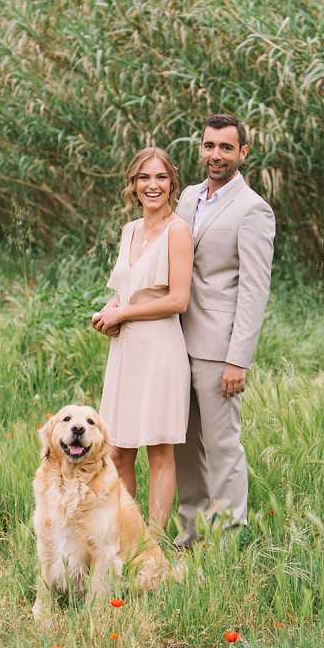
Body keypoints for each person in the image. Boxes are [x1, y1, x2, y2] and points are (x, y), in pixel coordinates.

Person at [174, 113, 275, 547]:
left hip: (218, 349)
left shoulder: (253, 210)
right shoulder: (188, 197)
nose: (216, 155)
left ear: (242, 153)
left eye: (226, 148)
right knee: (182, 443)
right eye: (209, 146)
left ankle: (230, 540)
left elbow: (254, 290)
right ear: (201, 148)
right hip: (174, 339)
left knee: (222, 447)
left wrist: (239, 359)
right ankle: (190, 535)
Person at [91, 147, 193, 535]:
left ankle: (152, 540)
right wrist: (107, 313)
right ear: (133, 185)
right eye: (144, 178)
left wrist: (125, 314)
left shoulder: (178, 230)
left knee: (160, 450)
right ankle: (126, 535)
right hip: (126, 351)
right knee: (118, 452)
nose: (153, 186)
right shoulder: (130, 230)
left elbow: (177, 300)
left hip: (160, 349)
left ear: (172, 183)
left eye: (161, 178)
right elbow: (124, 291)